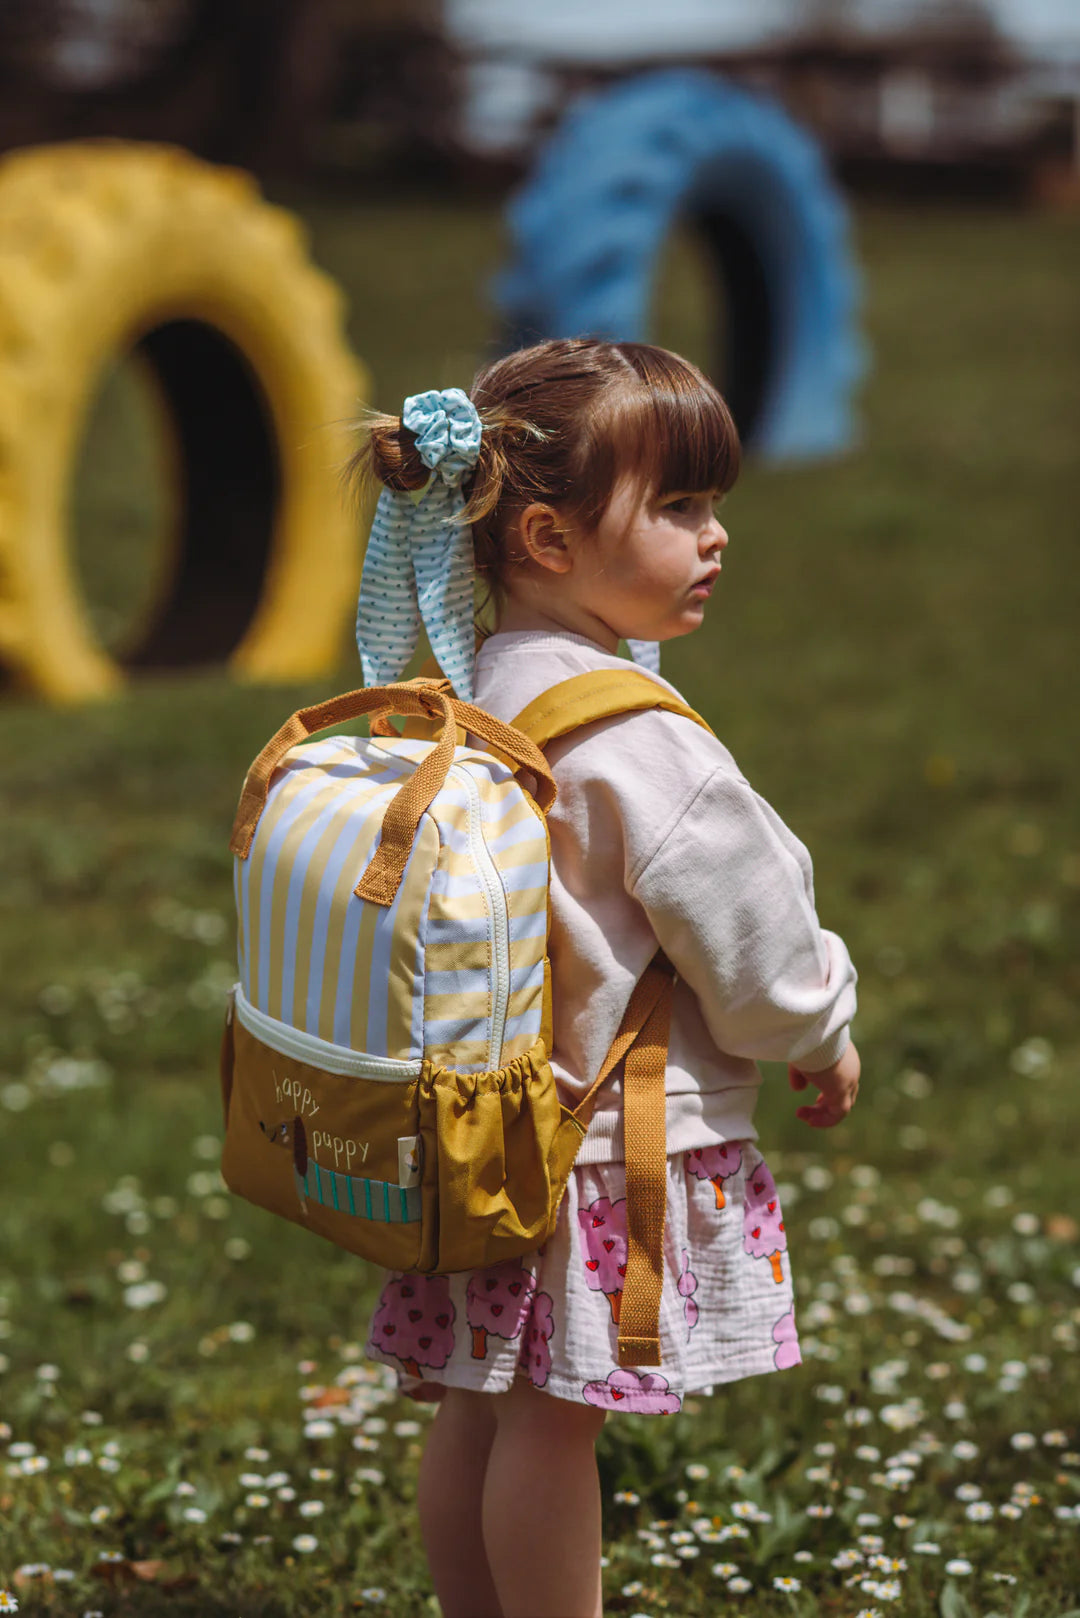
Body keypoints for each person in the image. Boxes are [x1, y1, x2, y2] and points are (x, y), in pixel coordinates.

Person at [351, 339, 860, 1618]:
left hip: (477, 1125)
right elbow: (754, 947)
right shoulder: (641, 741)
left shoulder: (471, 690)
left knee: (481, 1399)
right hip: (591, 1149)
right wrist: (821, 1033)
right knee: (557, 1427)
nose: (715, 535)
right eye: (679, 507)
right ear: (548, 537)